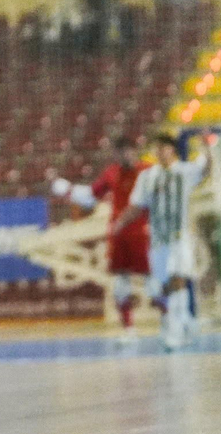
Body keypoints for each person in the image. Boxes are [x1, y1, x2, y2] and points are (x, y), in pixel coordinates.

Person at [113, 133, 210, 351]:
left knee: (177, 277)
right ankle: (183, 319)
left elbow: (205, 169)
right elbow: (137, 205)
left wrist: (206, 146)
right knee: (161, 287)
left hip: (179, 237)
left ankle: (176, 330)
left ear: (172, 149)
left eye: (163, 147)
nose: (159, 152)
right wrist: (121, 221)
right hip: (158, 240)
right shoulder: (147, 177)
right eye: (156, 148)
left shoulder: (184, 171)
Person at [50, 138, 150, 340]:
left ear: (135, 151)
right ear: (117, 154)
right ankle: (129, 329)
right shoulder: (111, 173)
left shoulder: (148, 171)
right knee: (120, 284)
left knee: (156, 282)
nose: (126, 155)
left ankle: (171, 323)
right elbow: (91, 196)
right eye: (122, 151)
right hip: (120, 235)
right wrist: (69, 190)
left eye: (129, 150)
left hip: (144, 233)